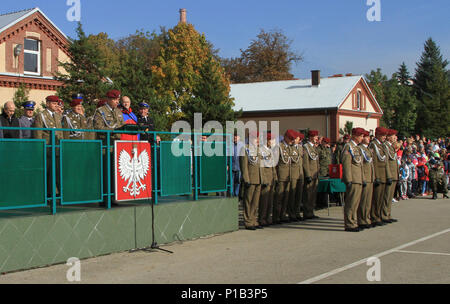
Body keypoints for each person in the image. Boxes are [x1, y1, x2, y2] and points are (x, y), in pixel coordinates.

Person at [93, 90, 126, 207]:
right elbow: (98, 127)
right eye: (115, 99)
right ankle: (104, 198)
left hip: (116, 146)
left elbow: (122, 126)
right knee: (105, 173)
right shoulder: (100, 111)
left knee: (114, 174)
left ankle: (113, 197)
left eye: (118, 99)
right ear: (109, 100)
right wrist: (113, 130)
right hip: (105, 147)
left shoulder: (118, 111)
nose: (117, 102)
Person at [33, 95, 64, 197]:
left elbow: (61, 133)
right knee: (48, 174)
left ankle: (57, 195)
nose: (56, 105)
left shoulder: (57, 116)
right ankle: (47, 196)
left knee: (57, 174)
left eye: (56, 103)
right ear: (47, 104)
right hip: (47, 149)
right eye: (54, 103)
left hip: (57, 149)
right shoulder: (41, 115)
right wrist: (39, 150)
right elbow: (38, 134)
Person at [341, 128, 365, 232]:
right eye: (361, 136)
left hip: (358, 178)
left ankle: (354, 222)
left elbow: (360, 165)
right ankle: (349, 223)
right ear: (355, 136)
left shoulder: (357, 148)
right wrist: (348, 179)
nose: (362, 138)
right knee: (351, 202)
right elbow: (346, 164)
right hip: (353, 179)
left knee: (356, 203)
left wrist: (362, 178)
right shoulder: (348, 147)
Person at [239, 132, 263, 230]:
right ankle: (248, 221)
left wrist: (263, 178)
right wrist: (246, 179)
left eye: (258, 138)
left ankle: (253, 220)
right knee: (248, 201)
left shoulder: (258, 149)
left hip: (259, 178)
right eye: (255, 138)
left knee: (255, 202)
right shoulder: (245, 149)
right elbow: (244, 166)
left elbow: (261, 165)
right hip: (251, 179)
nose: (257, 140)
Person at [273, 129, 297, 224]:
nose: (292, 140)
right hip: (281, 176)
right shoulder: (278, 147)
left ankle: (282, 215)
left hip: (288, 175)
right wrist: (275, 177)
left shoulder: (289, 148)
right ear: (285, 137)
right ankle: (276, 216)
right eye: (290, 138)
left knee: (286, 198)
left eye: (293, 139)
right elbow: (275, 163)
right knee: (279, 197)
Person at [369, 127, 390, 227]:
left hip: (383, 175)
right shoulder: (373, 145)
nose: (384, 137)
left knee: (381, 198)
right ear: (377, 135)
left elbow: (385, 162)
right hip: (378, 176)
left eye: (385, 135)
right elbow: (374, 162)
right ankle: (374, 217)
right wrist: (376, 176)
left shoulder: (381, 146)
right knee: (376, 199)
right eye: (383, 135)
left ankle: (379, 216)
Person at [258, 132, 278, 227]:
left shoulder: (270, 150)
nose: (273, 142)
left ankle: (267, 217)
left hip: (271, 178)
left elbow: (273, 165)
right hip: (266, 177)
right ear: (267, 141)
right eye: (271, 140)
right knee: (264, 200)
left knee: (270, 200)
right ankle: (262, 218)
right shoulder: (261, 150)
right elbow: (261, 166)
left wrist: (275, 177)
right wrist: (264, 179)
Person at [358, 129, 375, 230]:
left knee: (368, 200)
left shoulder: (367, 149)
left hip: (370, 177)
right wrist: (363, 177)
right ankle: (361, 219)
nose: (369, 139)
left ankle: (366, 219)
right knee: (363, 200)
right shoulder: (360, 149)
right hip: (364, 177)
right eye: (367, 137)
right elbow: (361, 165)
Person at [382, 129, 399, 223]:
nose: (395, 138)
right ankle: (384, 215)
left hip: (393, 174)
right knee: (386, 196)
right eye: (393, 136)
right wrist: (388, 175)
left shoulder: (391, 146)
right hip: (390, 175)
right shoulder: (385, 146)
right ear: (388, 137)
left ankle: (388, 214)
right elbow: (387, 162)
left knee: (390, 197)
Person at [303, 130, 320, 220]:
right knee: (308, 195)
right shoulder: (306, 147)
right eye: (315, 136)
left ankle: (311, 211)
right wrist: (308, 175)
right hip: (310, 175)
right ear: (310, 137)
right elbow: (306, 162)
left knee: (313, 195)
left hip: (315, 175)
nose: (317, 138)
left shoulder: (314, 147)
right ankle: (307, 213)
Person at [232, 133, 245, 197]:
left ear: (239, 137)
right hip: (231, 166)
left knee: (238, 182)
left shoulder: (242, 145)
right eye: (234, 136)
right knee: (231, 182)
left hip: (239, 166)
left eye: (236, 136)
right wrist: (227, 164)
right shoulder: (230, 145)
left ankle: (236, 195)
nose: (235, 138)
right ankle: (231, 195)